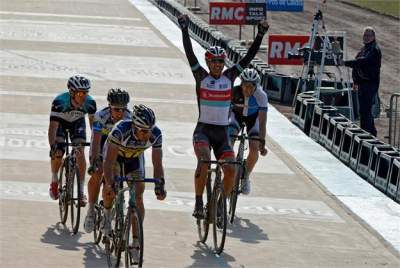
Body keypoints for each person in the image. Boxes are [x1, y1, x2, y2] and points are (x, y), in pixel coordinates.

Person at [177, 14, 269, 218]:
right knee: (203, 160)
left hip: (221, 133)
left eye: (220, 61)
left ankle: (220, 203)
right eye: (214, 62)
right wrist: (184, 29)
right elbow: (190, 53)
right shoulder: (201, 77)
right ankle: (199, 201)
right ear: (208, 63)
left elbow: (248, 58)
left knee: (231, 170)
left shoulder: (230, 77)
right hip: (203, 130)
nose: (218, 65)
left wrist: (260, 35)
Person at [102, 104, 166, 262]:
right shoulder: (120, 130)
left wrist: (160, 185)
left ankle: (136, 243)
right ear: (134, 126)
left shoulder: (155, 134)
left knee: (138, 196)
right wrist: (110, 184)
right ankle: (107, 215)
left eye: (149, 130)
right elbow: (108, 162)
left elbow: (157, 164)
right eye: (144, 131)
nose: (147, 134)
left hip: (134, 159)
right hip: (115, 157)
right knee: (111, 187)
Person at [83, 88, 131, 233]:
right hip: (102, 144)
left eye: (123, 109)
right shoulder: (100, 116)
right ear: (109, 106)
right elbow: (95, 141)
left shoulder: (130, 117)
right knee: (98, 173)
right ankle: (91, 210)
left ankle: (108, 214)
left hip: (118, 148)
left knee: (114, 178)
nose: (120, 113)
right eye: (116, 109)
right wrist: (94, 161)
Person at [48, 75, 96, 205]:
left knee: (80, 152)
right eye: (80, 93)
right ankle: (54, 179)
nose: (83, 96)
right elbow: (53, 128)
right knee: (58, 152)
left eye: (86, 93)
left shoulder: (90, 103)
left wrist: (96, 144)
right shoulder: (59, 102)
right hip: (60, 124)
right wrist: (53, 146)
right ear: (72, 92)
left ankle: (80, 191)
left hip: (77, 123)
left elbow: (94, 128)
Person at [229, 68, 268, 195]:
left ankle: (246, 177)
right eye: (245, 86)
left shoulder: (261, 96)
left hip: (253, 120)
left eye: (251, 87)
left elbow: (262, 121)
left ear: (256, 86)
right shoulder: (234, 92)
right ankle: (229, 168)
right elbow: (226, 115)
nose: (248, 90)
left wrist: (262, 141)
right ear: (241, 84)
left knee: (254, 148)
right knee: (228, 141)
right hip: (236, 117)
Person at [342, 26, 381, 137]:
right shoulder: (364, 49)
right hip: (363, 84)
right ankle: (372, 134)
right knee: (365, 111)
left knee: (365, 111)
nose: (366, 37)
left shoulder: (374, 50)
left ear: (373, 37)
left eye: (369, 35)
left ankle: (365, 135)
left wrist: (345, 63)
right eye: (365, 35)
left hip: (370, 85)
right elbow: (358, 65)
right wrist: (356, 81)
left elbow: (362, 62)